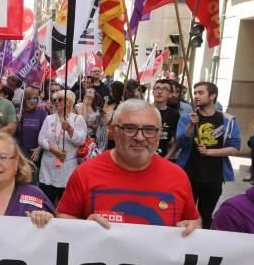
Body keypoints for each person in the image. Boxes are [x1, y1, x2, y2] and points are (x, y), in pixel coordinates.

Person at [57, 99, 200, 234]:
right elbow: (62, 216)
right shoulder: (86, 173)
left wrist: (193, 226)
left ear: (159, 134)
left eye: (149, 129)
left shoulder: (178, 177)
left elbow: (195, 221)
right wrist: (84, 227)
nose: (140, 137)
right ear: (115, 131)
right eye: (130, 128)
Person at [176, 81, 241, 229]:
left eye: (201, 92)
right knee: (186, 214)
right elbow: (181, 144)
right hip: (189, 174)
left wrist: (210, 152)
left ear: (212, 96)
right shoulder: (187, 118)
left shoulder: (227, 120)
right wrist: (190, 127)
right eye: (195, 92)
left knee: (206, 215)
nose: (196, 96)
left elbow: (235, 147)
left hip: (214, 176)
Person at [37, 89, 87, 205]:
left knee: (66, 204)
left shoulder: (77, 119)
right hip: (48, 167)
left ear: (69, 102)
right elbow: (41, 139)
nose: (56, 102)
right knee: (46, 202)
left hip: (67, 168)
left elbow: (81, 141)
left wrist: (70, 129)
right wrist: (53, 150)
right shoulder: (49, 119)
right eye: (55, 100)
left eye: (60, 99)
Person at [16, 87, 47, 184]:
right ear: (24, 99)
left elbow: (46, 132)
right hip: (23, 151)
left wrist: (39, 148)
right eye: (29, 98)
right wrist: (17, 121)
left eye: (35, 98)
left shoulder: (41, 113)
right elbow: (17, 133)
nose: (32, 101)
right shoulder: (20, 112)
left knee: (34, 178)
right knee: (24, 177)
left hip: (37, 152)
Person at [152, 79, 179, 159]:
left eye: (164, 89)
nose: (160, 92)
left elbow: (176, 142)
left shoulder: (174, 115)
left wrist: (167, 158)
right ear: (153, 92)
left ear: (170, 94)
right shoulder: (143, 110)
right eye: (157, 88)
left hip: (163, 157)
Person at [102, 81, 124, 149]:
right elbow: (103, 118)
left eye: (113, 92)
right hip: (105, 136)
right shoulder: (108, 103)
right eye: (110, 91)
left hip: (116, 138)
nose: (111, 94)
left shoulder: (123, 105)